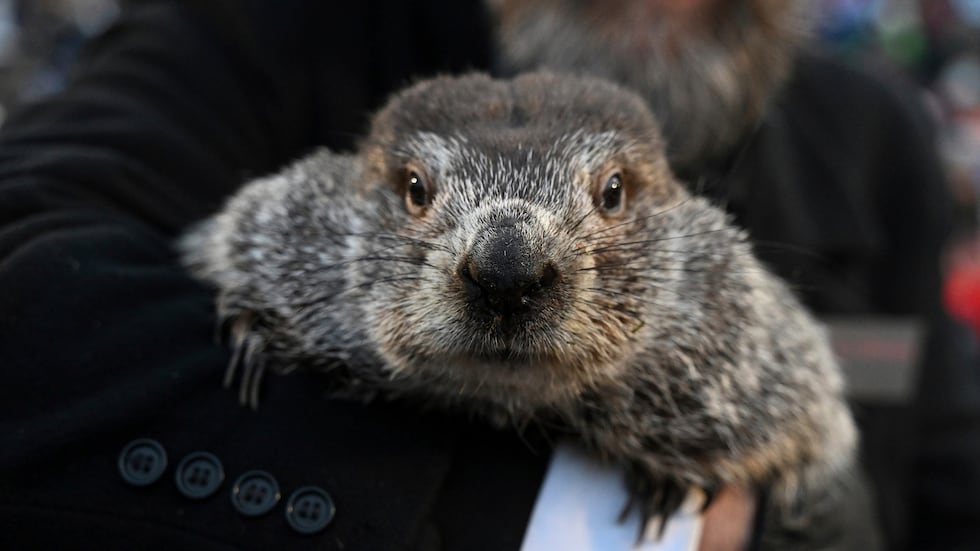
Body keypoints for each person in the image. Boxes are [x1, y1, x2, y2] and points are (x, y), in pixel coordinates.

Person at [0, 0, 976, 549]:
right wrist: (560, 514)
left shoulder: (870, 139)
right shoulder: (267, 36)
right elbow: (30, 270)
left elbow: (928, 455)